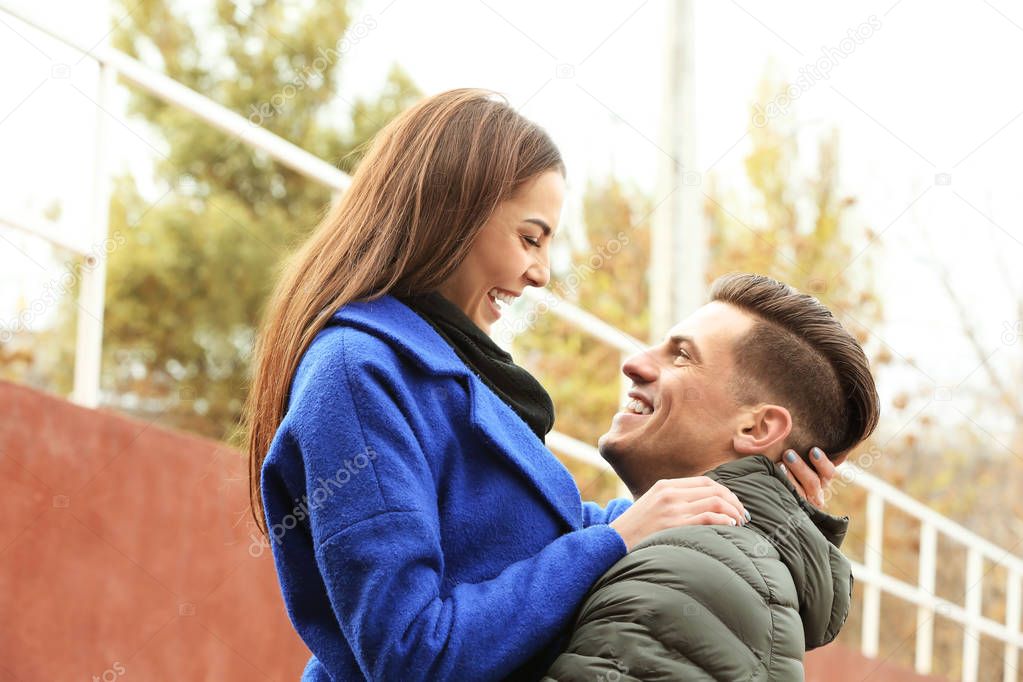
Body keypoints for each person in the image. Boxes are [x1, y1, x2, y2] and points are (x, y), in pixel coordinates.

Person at [243, 89, 833, 681]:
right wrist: (615, 540)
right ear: (454, 214)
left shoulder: (444, 373)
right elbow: (410, 653)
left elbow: (548, 537)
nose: (541, 272)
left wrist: (768, 500)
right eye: (530, 237)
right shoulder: (360, 373)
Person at [543, 273, 880, 681]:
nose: (633, 363)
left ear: (757, 429)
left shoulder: (685, 575)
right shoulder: (715, 562)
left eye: (681, 355)